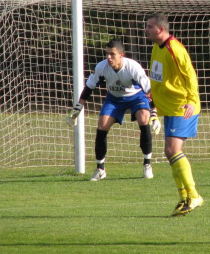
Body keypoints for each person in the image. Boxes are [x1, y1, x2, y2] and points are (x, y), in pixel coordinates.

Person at [66, 38, 161, 181]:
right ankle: (100, 169)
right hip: (114, 99)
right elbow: (89, 88)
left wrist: (154, 113)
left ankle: (147, 164)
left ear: (121, 55)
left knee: (144, 119)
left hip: (136, 97)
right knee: (102, 125)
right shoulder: (101, 67)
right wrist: (77, 109)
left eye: (112, 54)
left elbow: (150, 90)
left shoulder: (133, 67)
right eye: (107, 54)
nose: (109, 57)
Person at [145, 13, 203, 216]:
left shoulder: (175, 49)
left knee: (172, 149)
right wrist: (153, 91)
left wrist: (190, 100)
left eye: (150, 27)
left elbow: (190, 76)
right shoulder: (156, 47)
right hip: (169, 106)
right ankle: (184, 198)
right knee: (169, 152)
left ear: (161, 29)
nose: (147, 30)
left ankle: (194, 195)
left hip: (182, 106)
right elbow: (157, 73)